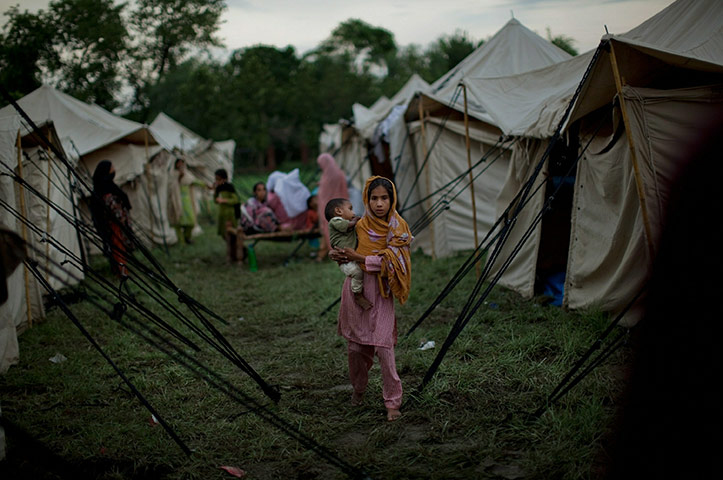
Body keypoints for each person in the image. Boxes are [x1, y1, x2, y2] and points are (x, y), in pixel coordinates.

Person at [330, 176, 413, 422]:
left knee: (384, 348)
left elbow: (395, 260)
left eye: (384, 198)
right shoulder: (358, 225)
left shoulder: (398, 228)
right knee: (356, 349)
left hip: (382, 292)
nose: (379, 203)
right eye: (374, 198)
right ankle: (359, 389)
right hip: (357, 293)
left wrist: (359, 258)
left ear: (392, 199)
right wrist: (338, 254)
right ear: (367, 199)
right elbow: (340, 245)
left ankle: (392, 402)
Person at [325, 198, 372, 310]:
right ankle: (357, 294)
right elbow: (347, 226)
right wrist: (356, 221)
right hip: (346, 259)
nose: (353, 213)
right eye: (350, 209)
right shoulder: (335, 221)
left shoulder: (346, 223)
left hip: (351, 257)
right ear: (338, 211)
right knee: (356, 272)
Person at [89, 160, 133, 277]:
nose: (114, 169)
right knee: (117, 247)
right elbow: (112, 207)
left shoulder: (109, 186)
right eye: (112, 167)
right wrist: (121, 219)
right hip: (113, 224)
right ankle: (121, 271)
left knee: (118, 247)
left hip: (116, 223)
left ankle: (118, 269)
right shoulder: (105, 190)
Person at [316, 153, 349, 261]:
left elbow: (324, 193)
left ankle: (332, 251)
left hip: (327, 207)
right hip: (339, 206)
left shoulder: (327, 176)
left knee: (328, 228)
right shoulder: (339, 173)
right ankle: (328, 252)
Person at [169, 158, 203, 244]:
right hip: (175, 200)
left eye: (182, 163)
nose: (180, 165)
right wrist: (179, 176)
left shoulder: (187, 174)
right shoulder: (172, 174)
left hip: (187, 200)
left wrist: (205, 185)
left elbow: (193, 181)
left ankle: (186, 237)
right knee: (178, 223)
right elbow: (171, 185)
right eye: (179, 163)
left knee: (191, 221)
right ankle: (181, 242)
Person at [213, 168, 241, 263]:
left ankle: (231, 256)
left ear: (224, 179)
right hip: (222, 215)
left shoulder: (229, 187)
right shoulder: (218, 188)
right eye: (216, 179)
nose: (217, 181)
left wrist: (224, 200)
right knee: (225, 236)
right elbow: (215, 201)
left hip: (230, 215)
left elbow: (236, 200)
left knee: (230, 236)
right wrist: (214, 192)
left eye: (219, 179)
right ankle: (232, 253)